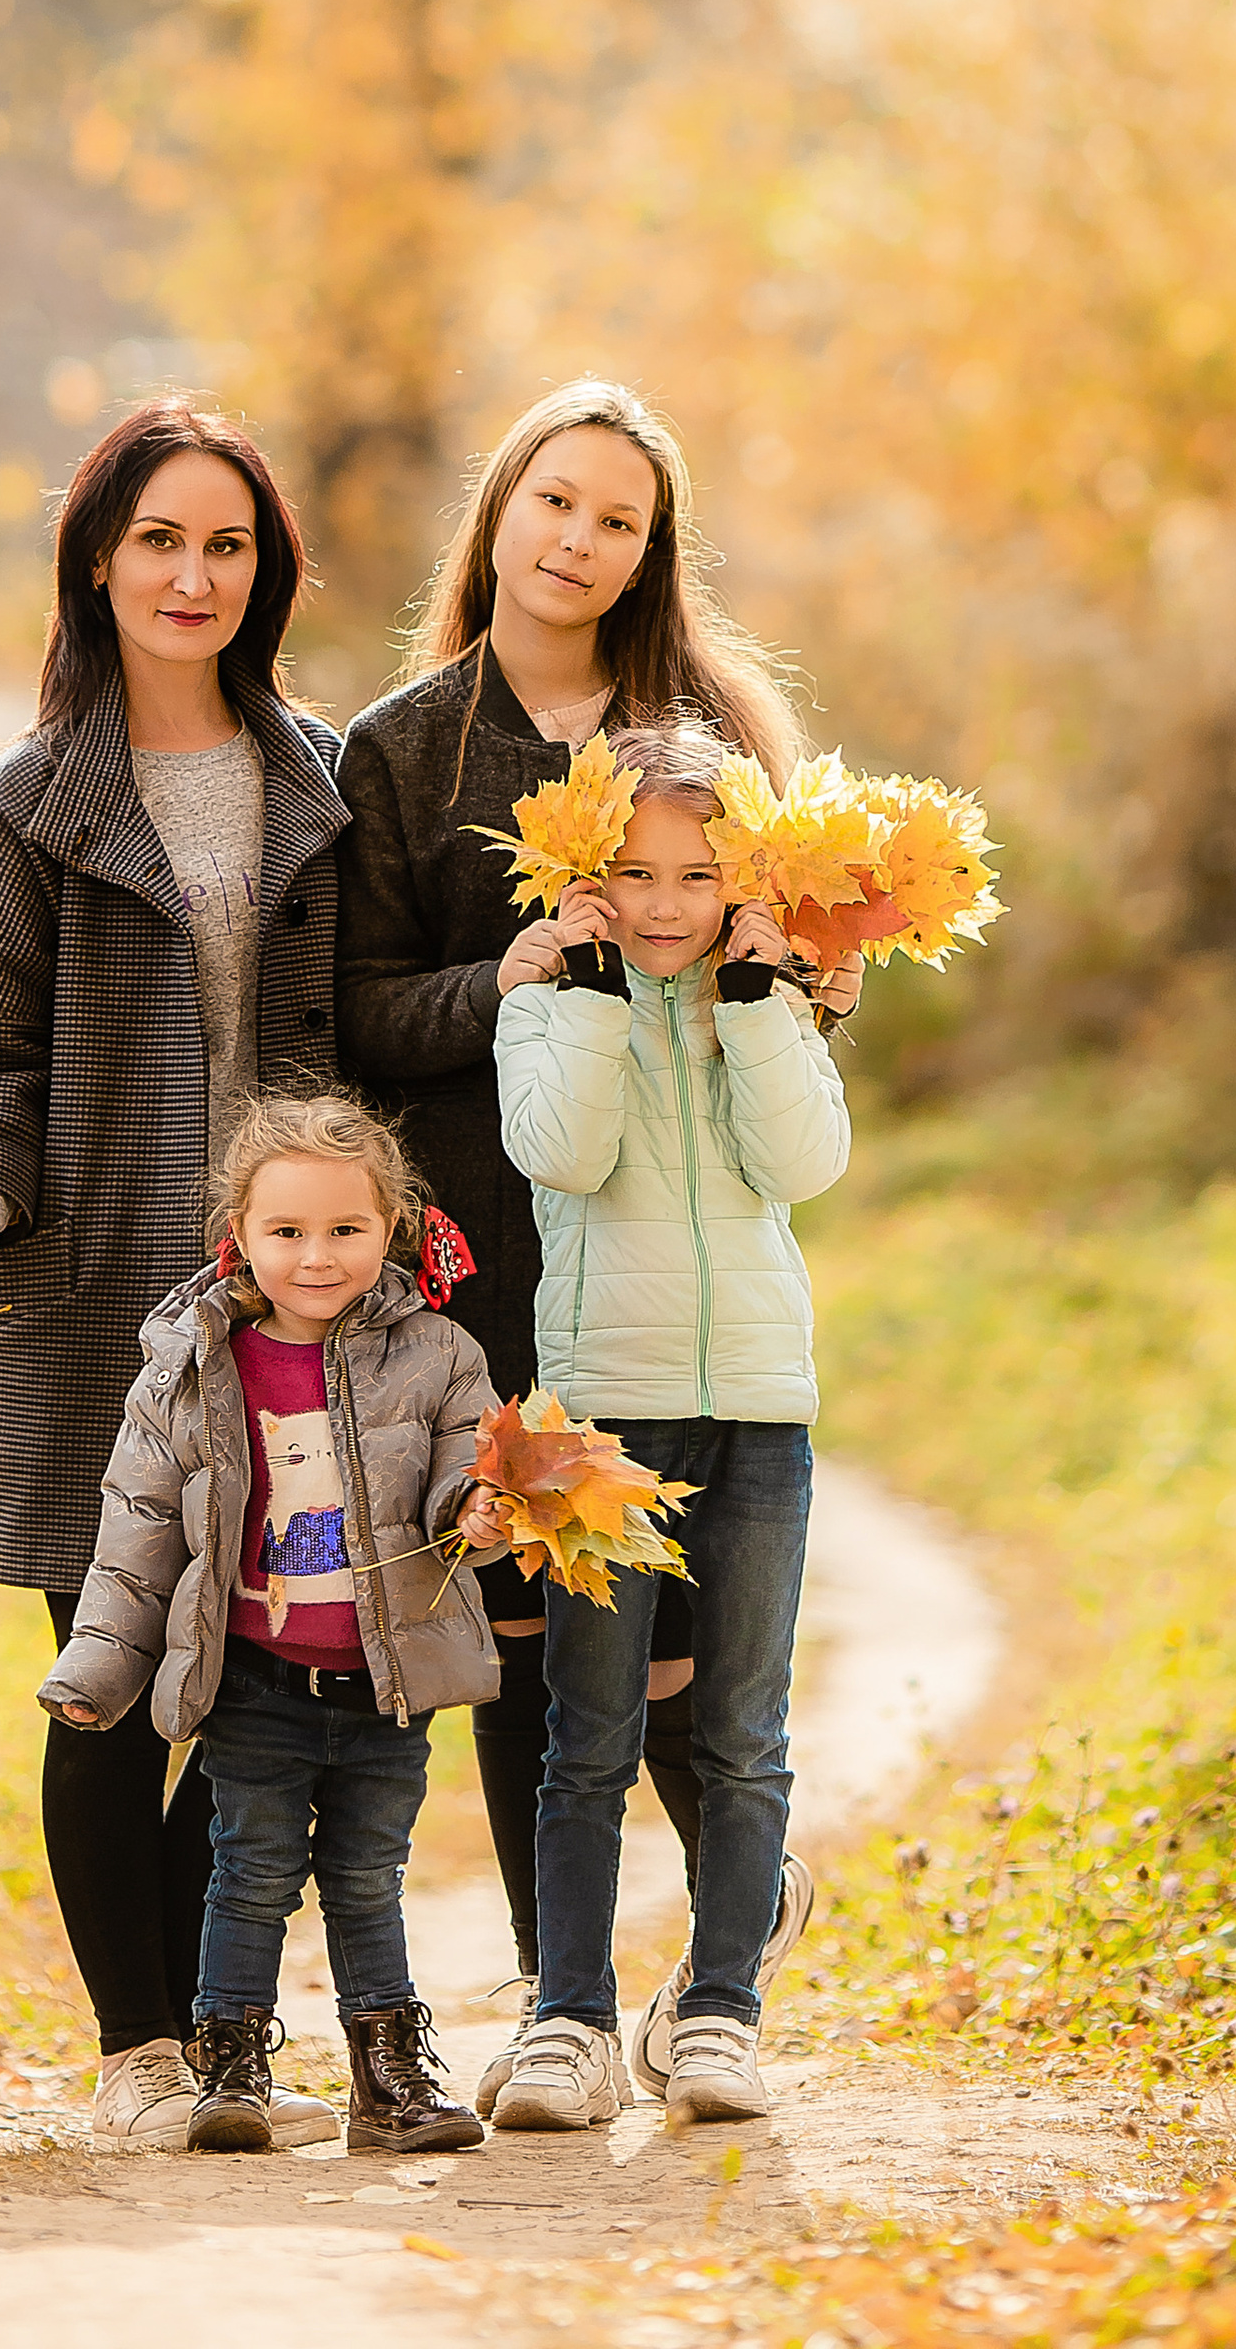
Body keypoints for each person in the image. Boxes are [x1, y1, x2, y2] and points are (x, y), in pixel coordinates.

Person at [0, 398, 350, 2155]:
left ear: (265, 572)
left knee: (281, 1681)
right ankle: (139, 2045)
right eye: (159, 540)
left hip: (291, 1311)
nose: (192, 574)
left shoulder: (323, 779)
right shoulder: (30, 805)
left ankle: (209, 2032)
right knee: (118, 1669)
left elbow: (366, 1036)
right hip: (85, 1308)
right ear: (95, 561)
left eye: (227, 545)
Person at [331, 375, 815, 2085]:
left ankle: (732, 1914)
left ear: (650, 551)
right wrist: (505, 977)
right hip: (483, 1249)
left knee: (680, 1647)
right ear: (501, 512)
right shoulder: (401, 750)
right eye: (556, 502)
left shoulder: (713, 736)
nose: (580, 541)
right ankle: (565, 2013)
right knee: (535, 1629)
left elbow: (802, 980)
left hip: (662, 1246)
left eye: (619, 519)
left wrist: (786, 986)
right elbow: (358, 1012)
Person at [484, 722, 852, 2134]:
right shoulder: (545, 999)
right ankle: (567, 2016)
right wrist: (571, 987)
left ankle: (718, 2015)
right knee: (589, 1730)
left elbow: (802, 1165)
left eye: (696, 876)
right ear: (585, 877)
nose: (660, 904)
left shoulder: (768, 1001)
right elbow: (561, 1153)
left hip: (761, 1405)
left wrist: (763, 1003)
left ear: (739, 883)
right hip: (603, 1412)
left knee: (747, 1736)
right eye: (631, 873)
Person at [40, 1093, 503, 2156]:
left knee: (365, 1878)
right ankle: (230, 2067)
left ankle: (385, 2074)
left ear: (392, 1227)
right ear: (238, 1235)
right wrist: (98, 1670)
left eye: (346, 1230)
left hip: (384, 1680)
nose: (316, 1256)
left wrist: (473, 1511)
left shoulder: (437, 1355)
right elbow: (140, 1523)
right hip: (255, 1676)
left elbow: (461, 1478)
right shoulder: (196, 1367)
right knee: (247, 1872)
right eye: (286, 1231)